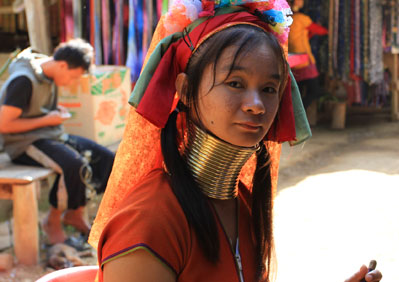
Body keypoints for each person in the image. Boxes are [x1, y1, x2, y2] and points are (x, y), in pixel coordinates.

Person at [88, 1, 381, 282]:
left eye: (269, 88)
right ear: (186, 90)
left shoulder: (242, 202)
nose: (257, 105)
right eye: (235, 83)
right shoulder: (150, 224)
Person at [0, 39, 115, 244]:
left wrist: (54, 115)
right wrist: (47, 119)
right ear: (62, 65)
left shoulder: (47, 72)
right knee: (74, 164)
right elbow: (4, 125)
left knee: (106, 159)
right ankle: (53, 220)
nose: (72, 83)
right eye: (73, 77)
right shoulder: (24, 80)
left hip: (49, 134)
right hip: (22, 143)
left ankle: (76, 212)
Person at [288, 0, 328, 109]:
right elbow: (320, 30)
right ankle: (299, 113)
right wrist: (329, 31)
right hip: (305, 60)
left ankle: (296, 115)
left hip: (294, 61)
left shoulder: (286, 20)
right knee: (314, 90)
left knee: (298, 92)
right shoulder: (301, 18)